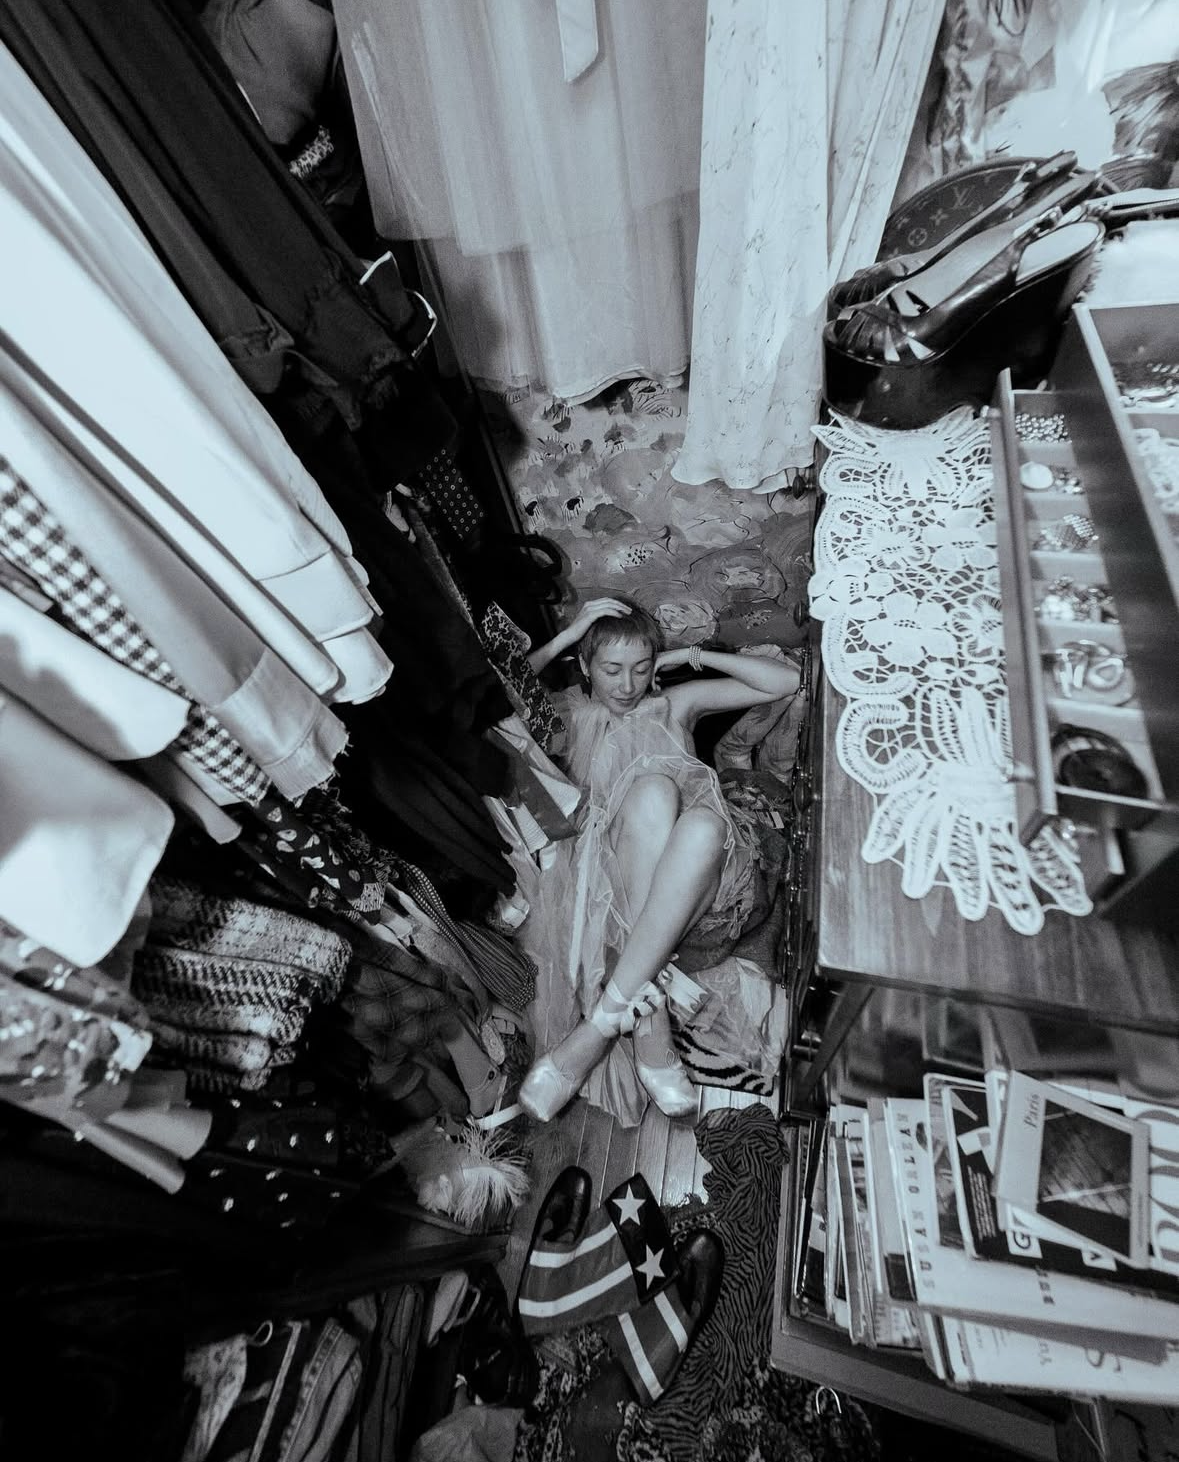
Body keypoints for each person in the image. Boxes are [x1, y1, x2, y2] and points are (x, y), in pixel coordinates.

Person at [517, 595, 800, 1123]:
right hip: (612, 884)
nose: (627, 685)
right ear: (584, 666)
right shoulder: (569, 713)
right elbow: (495, 695)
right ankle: (648, 1023)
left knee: (701, 818)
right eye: (611, 669)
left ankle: (601, 1025)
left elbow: (787, 681)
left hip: (703, 873)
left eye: (641, 668)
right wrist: (566, 635)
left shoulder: (673, 704)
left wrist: (691, 655)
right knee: (650, 793)